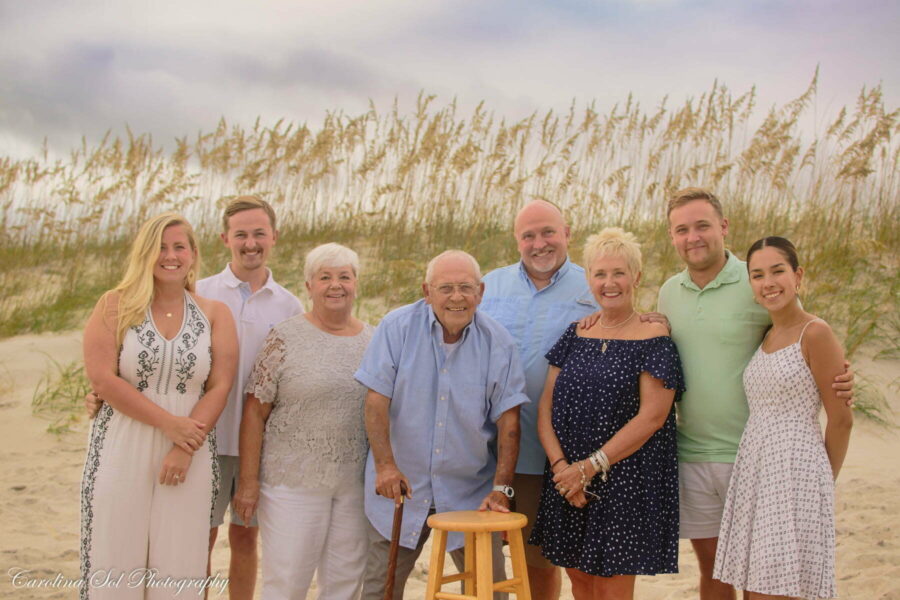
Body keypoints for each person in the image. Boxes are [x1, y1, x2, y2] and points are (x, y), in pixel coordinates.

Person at [86, 196, 303, 599]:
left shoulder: (288, 305)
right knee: (190, 540)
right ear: (225, 239)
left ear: (273, 237)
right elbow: (116, 369)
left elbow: (276, 380)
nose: (250, 242)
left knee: (241, 538)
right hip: (202, 437)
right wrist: (102, 396)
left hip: (253, 443)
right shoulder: (200, 292)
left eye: (259, 234)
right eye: (241, 234)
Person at [654, 188, 855, 600]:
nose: (693, 237)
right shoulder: (668, 292)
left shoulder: (753, 277)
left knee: (767, 580)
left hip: (754, 459)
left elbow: (806, 337)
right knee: (716, 569)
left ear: (723, 227)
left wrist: (843, 379)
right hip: (692, 452)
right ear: (672, 236)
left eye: (703, 225)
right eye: (682, 229)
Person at [80, 212, 237, 599]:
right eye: (160, 248)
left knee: (180, 561)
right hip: (122, 443)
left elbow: (220, 385)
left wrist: (184, 445)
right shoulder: (113, 306)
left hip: (191, 449)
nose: (170, 255)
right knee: (116, 556)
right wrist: (170, 425)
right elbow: (103, 379)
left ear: (193, 253)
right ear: (145, 254)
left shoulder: (215, 313)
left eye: (179, 247)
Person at [356, 250, 529, 600]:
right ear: (426, 291)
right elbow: (376, 402)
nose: (456, 297)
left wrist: (502, 488)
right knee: (379, 591)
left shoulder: (499, 342)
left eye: (465, 288)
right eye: (446, 288)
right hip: (402, 488)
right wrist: (386, 466)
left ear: (480, 292)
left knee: (490, 591)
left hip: (470, 490)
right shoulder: (396, 327)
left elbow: (509, 419)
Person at [531, 227, 683, 600]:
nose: (609, 282)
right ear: (588, 280)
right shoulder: (575, 334)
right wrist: (562, 469)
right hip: (567, 483)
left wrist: (589, 468)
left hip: (623, 483)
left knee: (611, 590)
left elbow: (652, 418)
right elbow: (545, 408)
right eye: (600, 274)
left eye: (619, 273)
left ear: (637, 277)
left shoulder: (655, 339)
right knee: (580, 584)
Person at [232, 243, 373, 600]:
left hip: (354, 484)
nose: (335, 285)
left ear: (356, 283)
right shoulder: (285, 337)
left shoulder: (375, 340)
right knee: (287, 582)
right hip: (291, 483)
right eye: (325, 277)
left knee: (345, 584)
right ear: (309, 286)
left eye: (344, 276)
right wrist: (247, 483)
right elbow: (254, 411)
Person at [713, 236, 852, 599]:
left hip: (797, 474)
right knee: (755, 586)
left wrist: (822, 481)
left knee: (781, 588)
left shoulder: (815, 332)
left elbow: (842, 420)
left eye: (777, 271)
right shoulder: (767, 335)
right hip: (757, 473)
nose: (768, 282)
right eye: (757, 275)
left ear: (797, 275)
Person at [480, 200, 598, 600]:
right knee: (485, 559)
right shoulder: (488, 286)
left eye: (548, 232)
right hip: (491, 451)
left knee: (540, 562)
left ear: (568, 233)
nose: (539, 243)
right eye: (528, 235)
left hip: (558, 456)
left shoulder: (594, 285)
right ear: (516, 240)